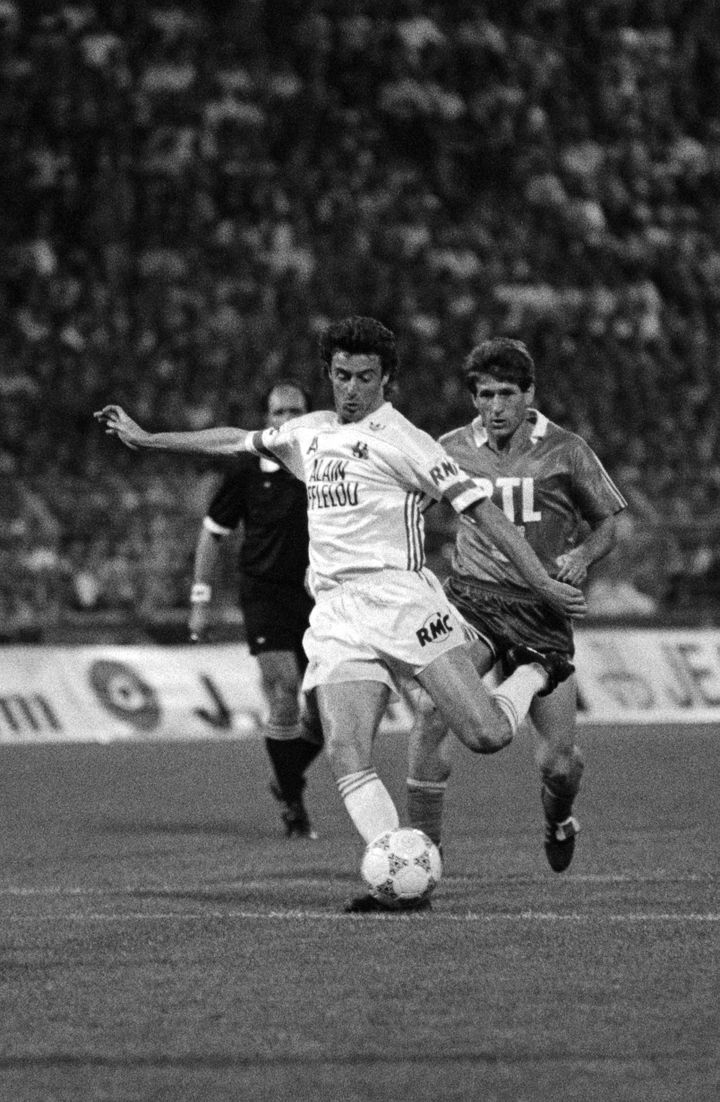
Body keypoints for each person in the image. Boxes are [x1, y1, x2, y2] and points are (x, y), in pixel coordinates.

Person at [95, 316, 586, 912]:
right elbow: (234, 439)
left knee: (483, 734)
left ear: (387, 380)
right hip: (334, 611)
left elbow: (482, 512)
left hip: (401, 601)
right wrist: (150, 440)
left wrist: (540, 581)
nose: (351, 388)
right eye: (342, 375)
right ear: (328, 375)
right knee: (346, 749)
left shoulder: (406, 440)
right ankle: (395, 870)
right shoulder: (308, 432)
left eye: (365, 377)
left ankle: (534, 668)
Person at [407, 337, 626, 873]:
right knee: (435, 711)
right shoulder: (450, 448)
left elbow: (608, 526)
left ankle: (558, 817)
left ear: (530, 394)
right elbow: (405, 505)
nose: (496, 406)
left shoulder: (566, 449)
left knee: (557, 764)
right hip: (472, 603)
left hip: (541, 612)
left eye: (507, 393)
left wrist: (582, 554)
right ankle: (423, 851)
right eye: (485, 395)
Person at [189, 378, 323, 839]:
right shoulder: (247, 470)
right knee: (284, 689)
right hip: (264, 594)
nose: (285, 421)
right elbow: (212, 532)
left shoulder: (323, 467)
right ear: (267, 420)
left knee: (327, 715)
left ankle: (285, 777)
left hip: (319, 599)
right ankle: (293, 803)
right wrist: (200, 600)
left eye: (294, 412)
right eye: (277, 413)